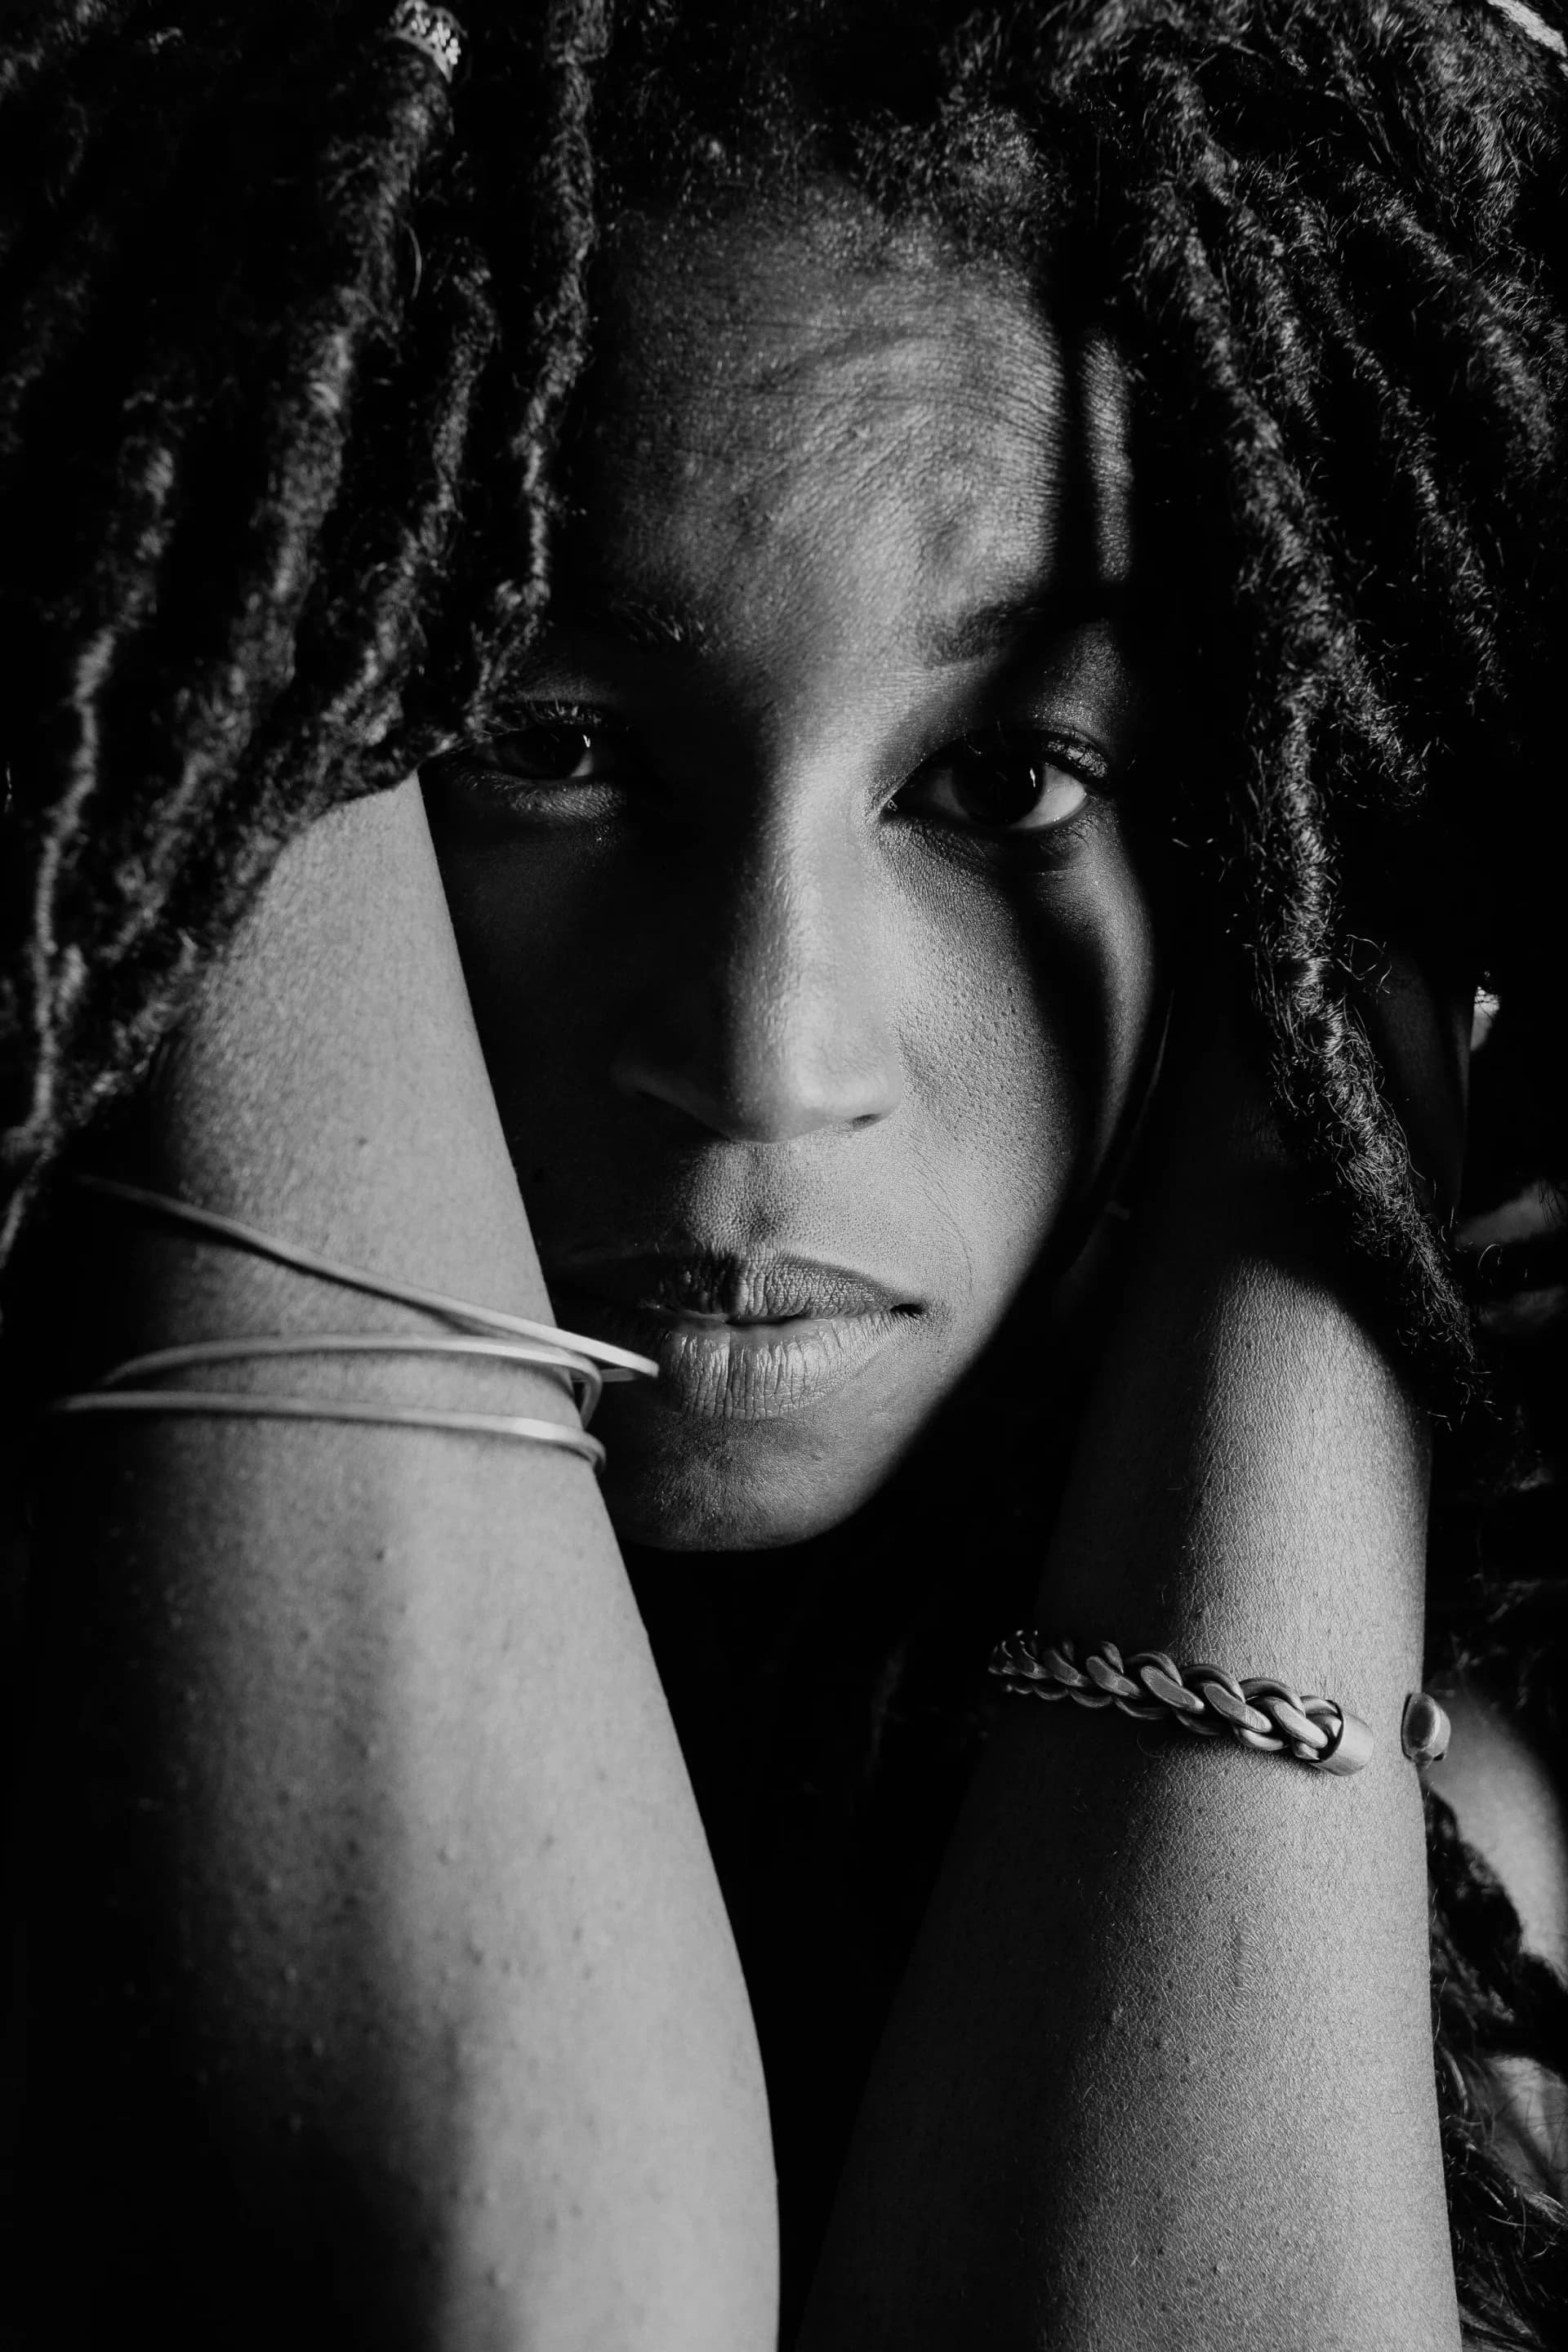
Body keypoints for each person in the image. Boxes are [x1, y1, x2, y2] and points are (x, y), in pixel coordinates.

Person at [2, 0, 1566, 2345]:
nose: (765, 1049)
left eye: (1011, 784)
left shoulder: (1504, 1853)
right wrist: (186, 390)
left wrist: (1335, 1143)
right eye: (548, 744)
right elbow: (501, 2285)